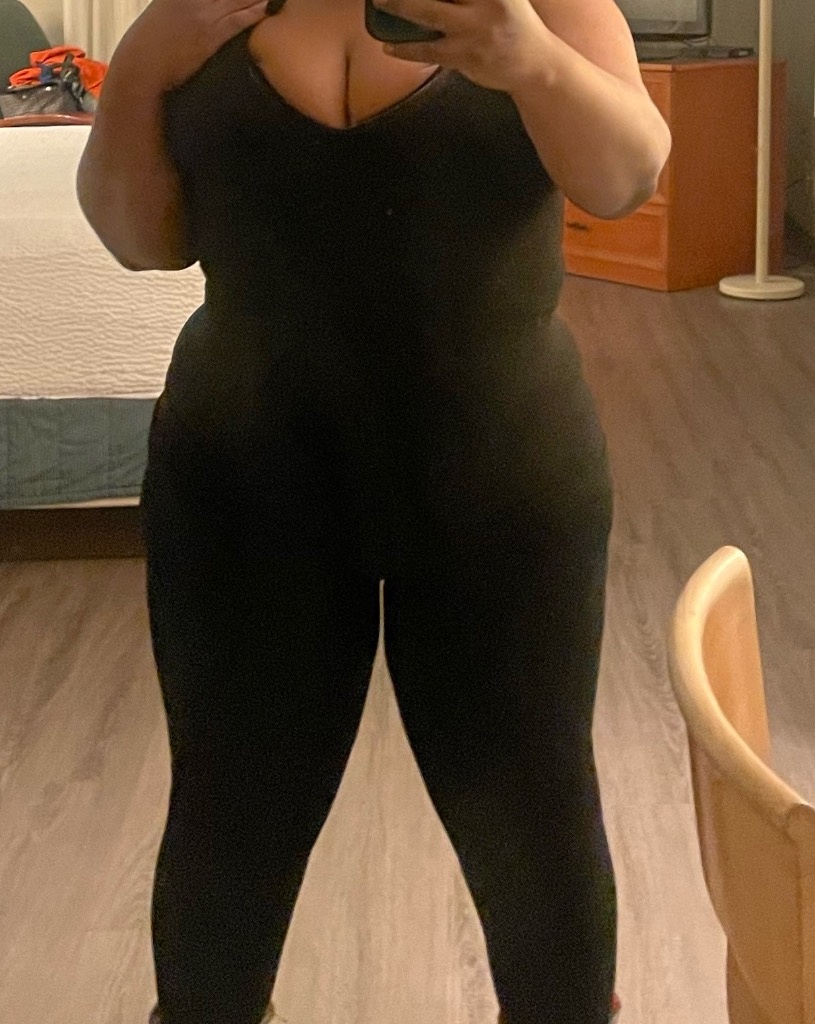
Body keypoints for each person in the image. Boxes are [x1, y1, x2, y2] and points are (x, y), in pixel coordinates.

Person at [76, 1, 671, 1022]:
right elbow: (142, 241)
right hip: (244, 483)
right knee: (229, 815)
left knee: (533, 816)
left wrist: (529, 58)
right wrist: (137, 67)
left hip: (500, 483)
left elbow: (623, 180)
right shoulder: (202, 7)